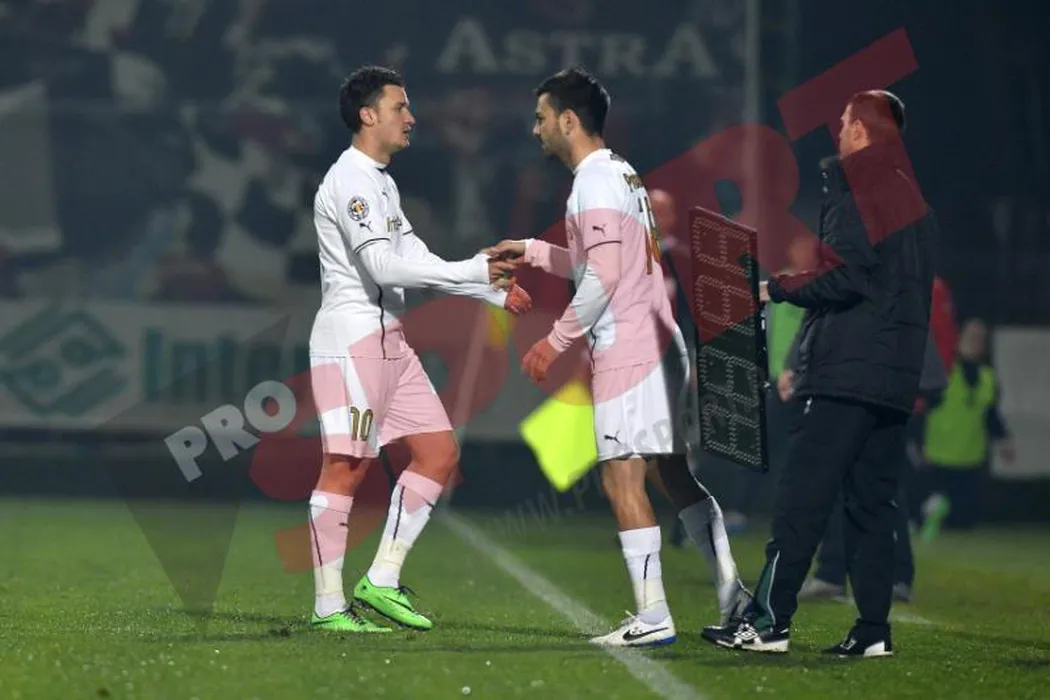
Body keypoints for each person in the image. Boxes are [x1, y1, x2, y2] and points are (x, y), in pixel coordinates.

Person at [486, 67, 749, 648]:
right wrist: (531, 251)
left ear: (568, 120)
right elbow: (601, 262)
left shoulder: (595, 182)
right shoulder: (621, 174)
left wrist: (554, 341)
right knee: (671, 474)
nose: (535, 129)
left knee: (620, 477)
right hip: (657, 340)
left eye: (541, 118)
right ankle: (735, 597)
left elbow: (603, 275)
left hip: (630, 349)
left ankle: (653, 616)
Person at [701, 89, 936, 656]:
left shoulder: (859, 186)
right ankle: (873, 631)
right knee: (872, 506)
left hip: (847, 374)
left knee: (801, 500)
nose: (839, 130)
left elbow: (849, 276)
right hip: (893, 378)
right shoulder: (914, 199)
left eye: (846, 121)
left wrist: (776, 288)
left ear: (862, 131)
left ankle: (769, 623)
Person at [305, 65, 532, 633]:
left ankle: (381, 579)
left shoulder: (382, 181)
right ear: (368, 115)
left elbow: (414, 255)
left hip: (390, 337)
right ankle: (328, 607)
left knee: (438, 453)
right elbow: (382, 266)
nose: (412, 117)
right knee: (346, 467)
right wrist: (473, 272)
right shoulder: (350, 181)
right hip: (351, 341)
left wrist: (485, 287)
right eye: (400, 107)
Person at [918, 318, 1015, 538]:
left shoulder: (988, 377)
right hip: (938, 456)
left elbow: (991, 415)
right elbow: (922, 410)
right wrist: (919, 442)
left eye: (980, 338)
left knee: (964, 523)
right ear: (958, 338)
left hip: (970, 459)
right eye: (971, 336)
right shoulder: (944, 371)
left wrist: (1004, 440)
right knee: (935, 512)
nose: (975, 341)